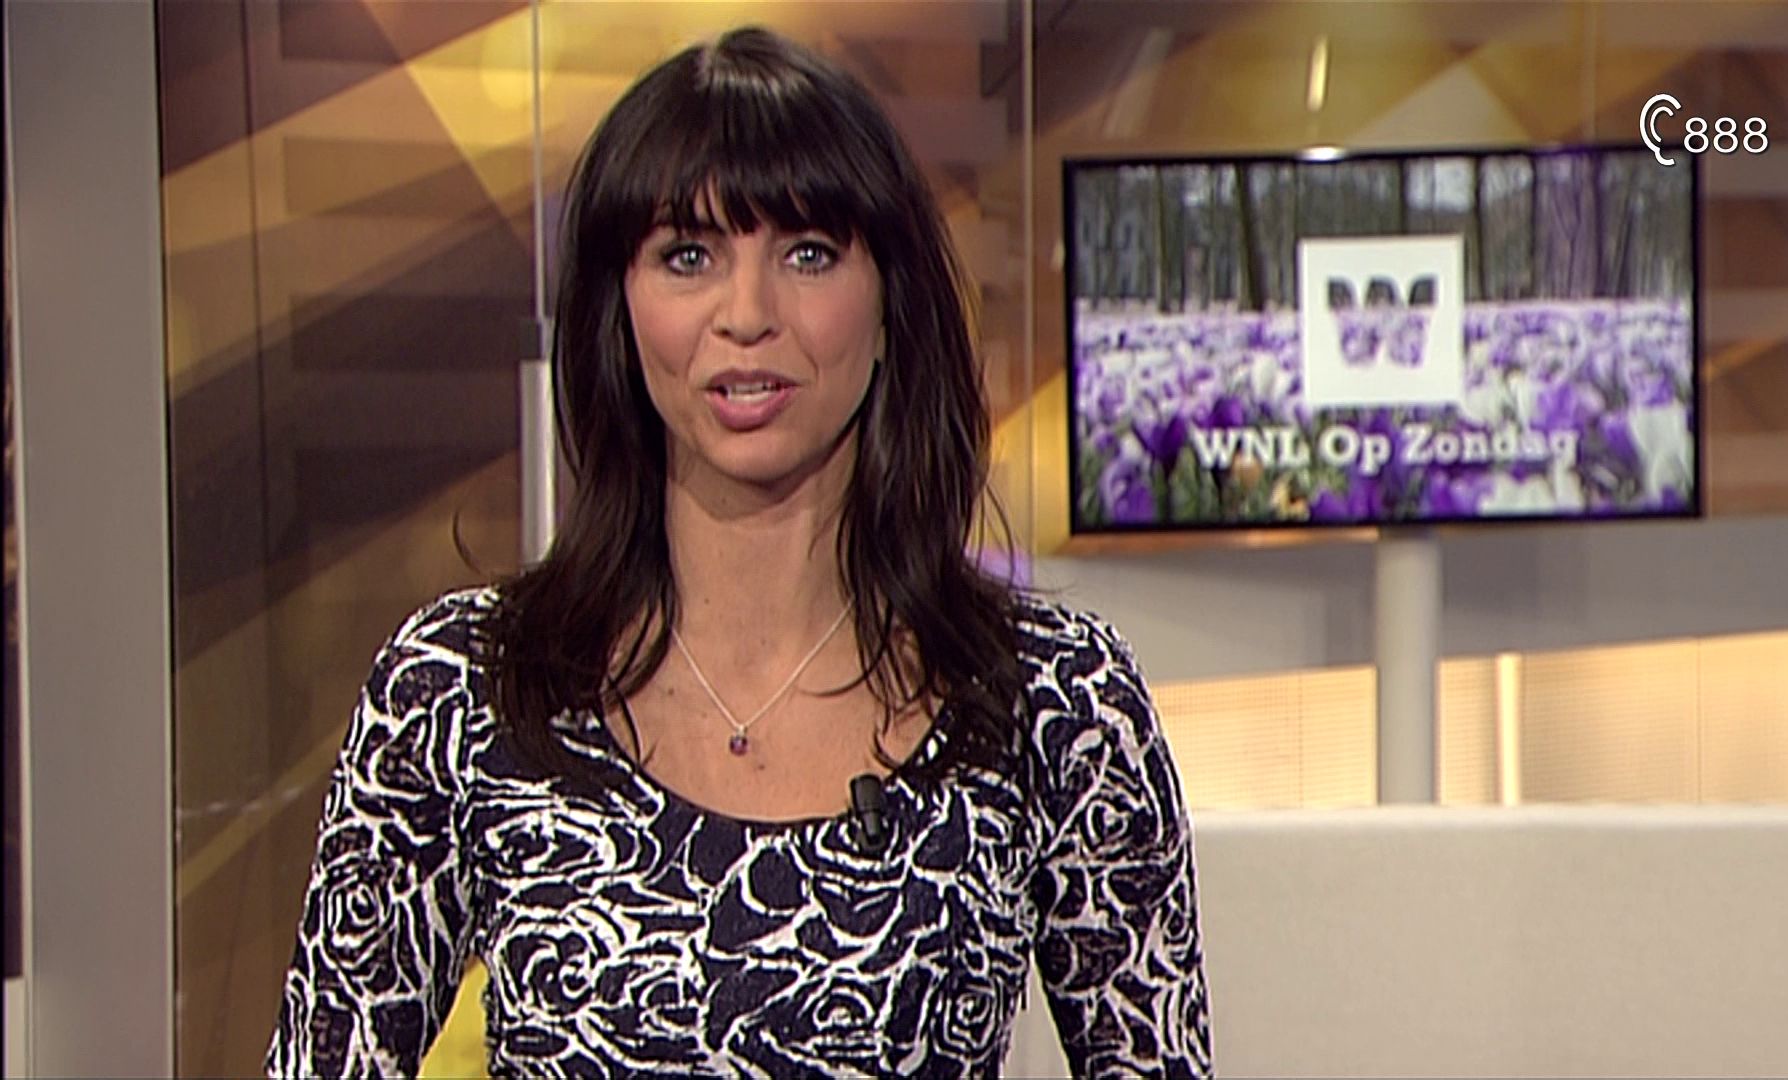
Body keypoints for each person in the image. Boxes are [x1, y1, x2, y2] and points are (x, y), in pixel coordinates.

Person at [266, 25, 1211, 1079]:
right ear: (619, 311)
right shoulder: (463, 692)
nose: (747, 315)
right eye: (689, 256)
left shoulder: (1056, 698)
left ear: (890, 304)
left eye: (807, 253)